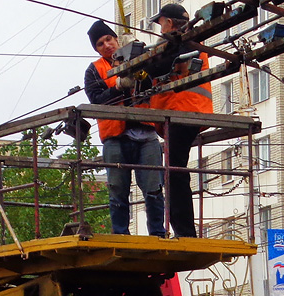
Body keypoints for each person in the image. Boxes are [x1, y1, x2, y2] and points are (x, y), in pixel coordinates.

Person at [83, 20, 167, 237]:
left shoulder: (137, 59)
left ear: (116, 39)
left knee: (154, 189)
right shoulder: (95, 70)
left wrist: (139, 70)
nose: (107, 45)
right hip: (115, 136)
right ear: (97, 49)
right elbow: (97, 99)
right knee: (117, 190)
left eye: (109, 39)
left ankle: (158, 233)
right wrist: (119, 86)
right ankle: (121, 234)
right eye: (100, 43)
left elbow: (152, 84)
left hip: (146, 132)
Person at [148, 3, 214, 238]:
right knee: (174, 171)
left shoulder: (181, 42)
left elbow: (158, 66)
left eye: (162, 22)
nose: (160, 28)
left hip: (181, 112)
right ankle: (183, 229)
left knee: (175, 172)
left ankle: (185, 231)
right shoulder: (189, 42)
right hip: (185, 113)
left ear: (169, 22)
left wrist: (144, 61)